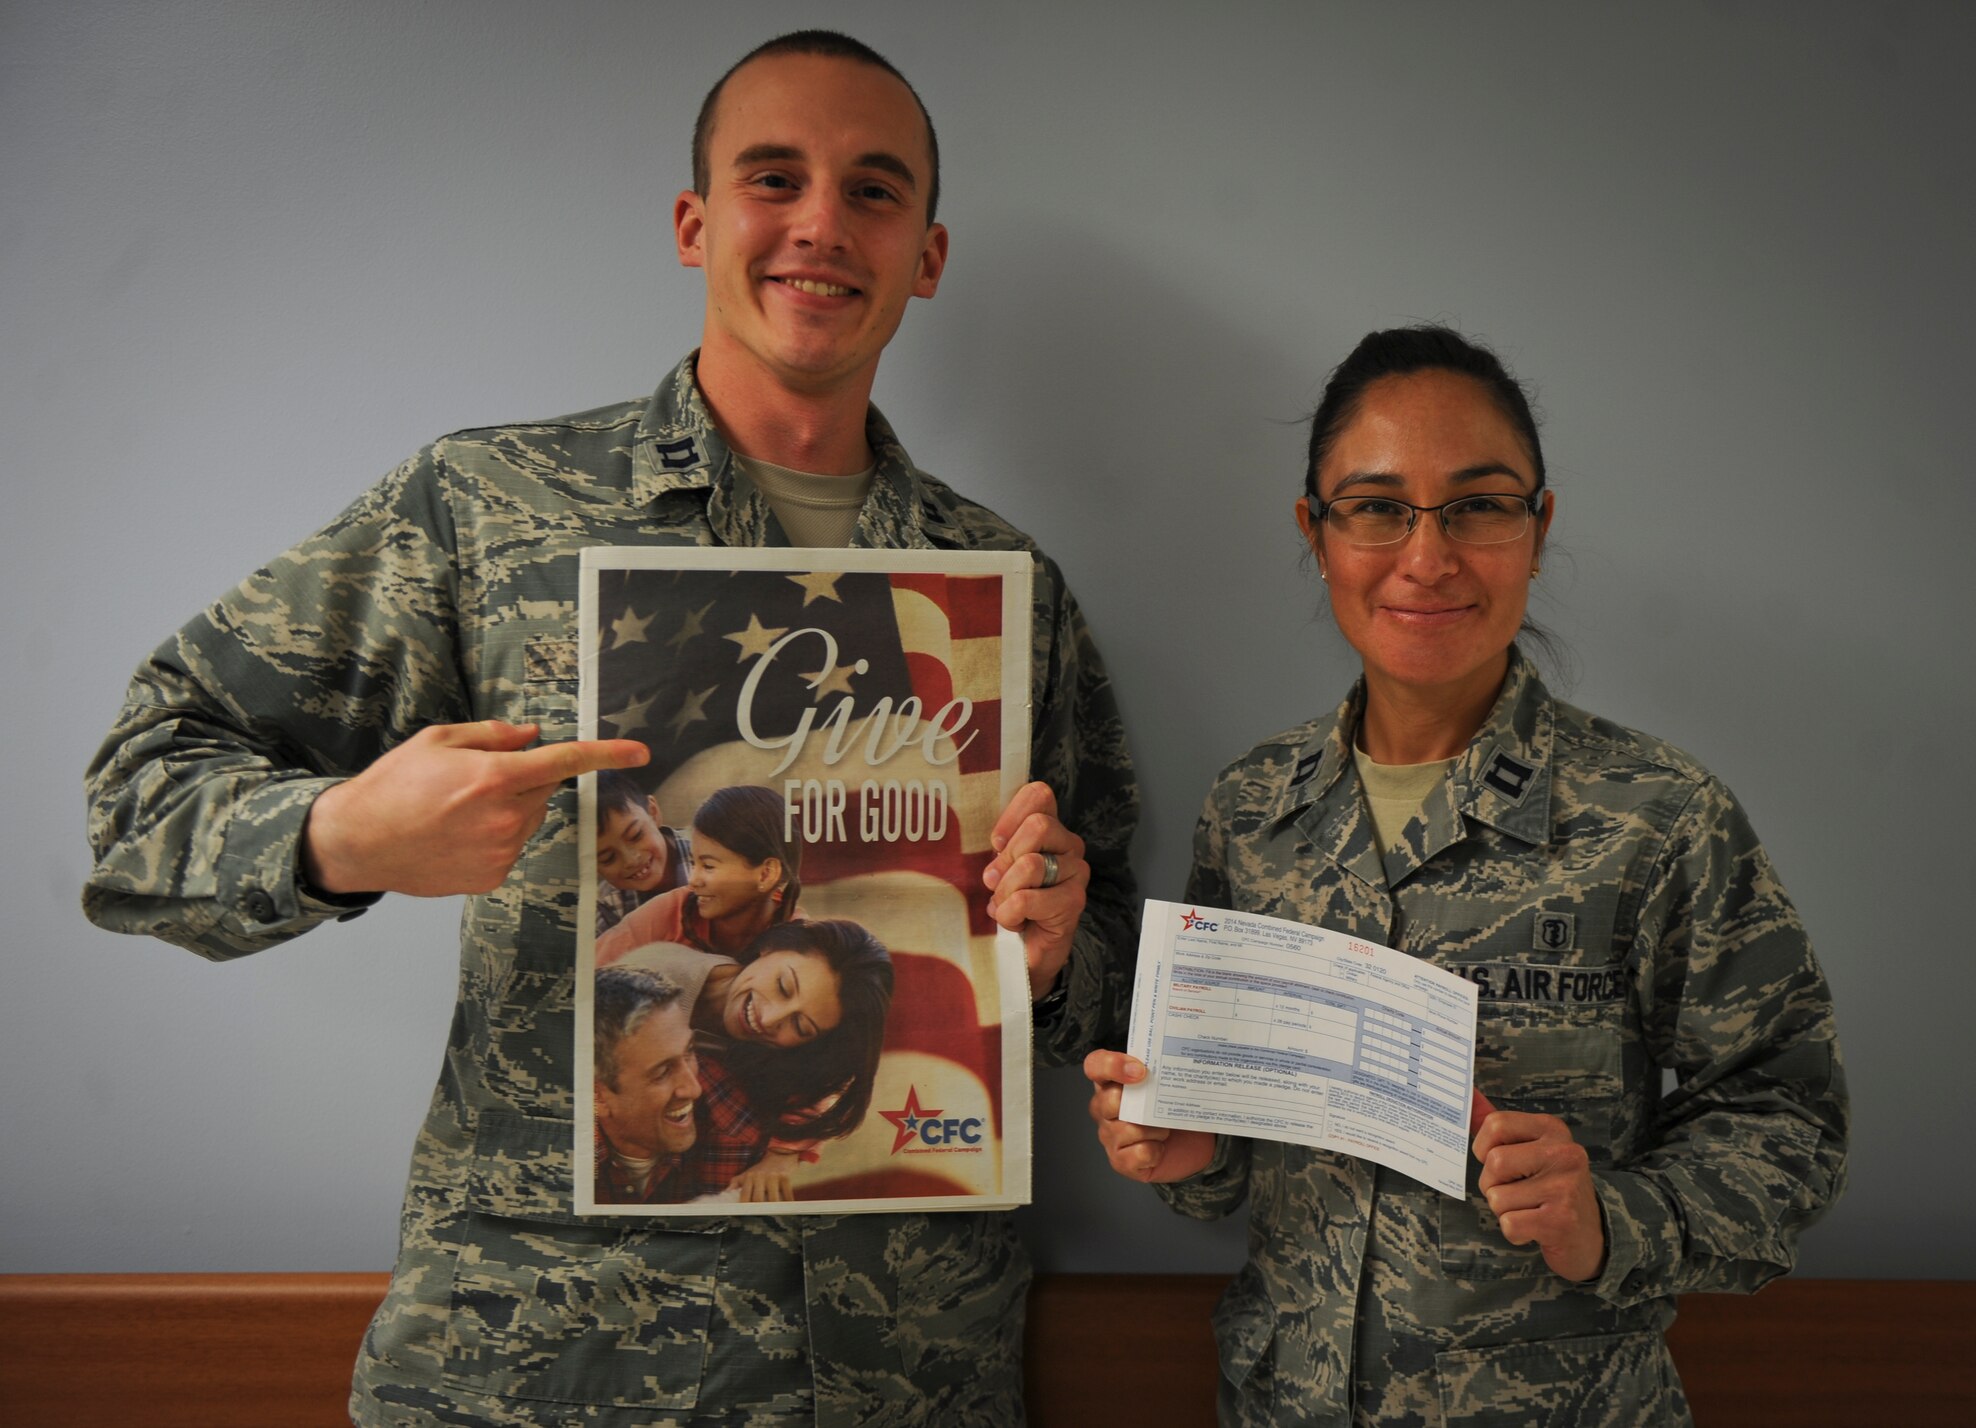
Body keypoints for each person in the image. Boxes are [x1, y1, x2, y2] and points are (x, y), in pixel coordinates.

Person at [82, 29, 1137, 1428]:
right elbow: (139, 794)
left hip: (901, 1380)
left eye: (874, 191)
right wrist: (348, 835)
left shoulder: (1004, 596)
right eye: (776, 179)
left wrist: (1063, 944)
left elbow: (1111, 961)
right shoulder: (482, 508)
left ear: (926, 256)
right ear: (697, 225)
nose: (822, 222)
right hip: (549, 1367)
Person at [1086, 326, 1847, 1427]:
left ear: (1537, 529)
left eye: (1478, 506)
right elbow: (1229, 1164)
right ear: (1316, 532)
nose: (1426, 556)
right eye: (1377, 506)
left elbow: (1791, 1123)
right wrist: (1186, 1150)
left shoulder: (1657, 817)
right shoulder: (1250, 813)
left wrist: (1609, 1218)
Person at [613, 917, 896, 1203]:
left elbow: (822, 1086)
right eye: (783, 986)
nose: (770, 1018)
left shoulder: (773, 1060)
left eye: (800, 1026)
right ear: (770, 946)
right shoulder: (645, 981)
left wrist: (781, 1157)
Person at [597, 783, 803, 963]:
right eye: (693, 863)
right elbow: (588, 978)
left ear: (766, 874)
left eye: (708, 866)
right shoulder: (668, 911)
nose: (693, 881)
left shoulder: (797, 936)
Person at [592, 965, 728, 1204]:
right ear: (598, 1097)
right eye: (663, 1072)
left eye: (689, 1052)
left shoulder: (737, 1138)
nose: (694, 1089)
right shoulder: (554, 1162)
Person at [592, 770, 690, 935]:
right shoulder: (607, 907)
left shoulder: (713, 852)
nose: (630, 860)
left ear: (653, 812)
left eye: (636, 835)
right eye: (608, 858)